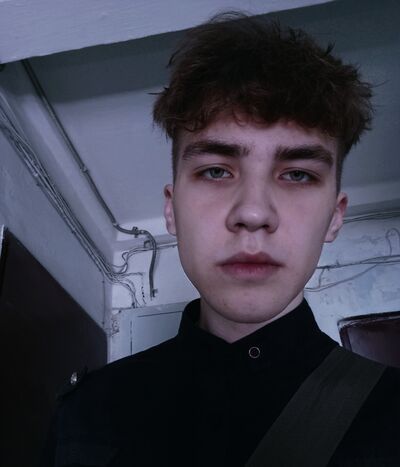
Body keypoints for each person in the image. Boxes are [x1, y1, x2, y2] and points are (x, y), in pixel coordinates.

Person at [41, 12, 400, 467]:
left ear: (334, 217)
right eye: (215, 171)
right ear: (171, 209)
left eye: (297, 174)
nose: (253, 213)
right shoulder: (85, 415)